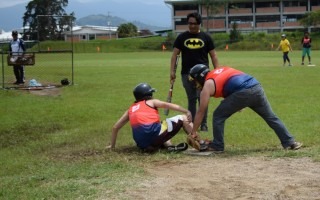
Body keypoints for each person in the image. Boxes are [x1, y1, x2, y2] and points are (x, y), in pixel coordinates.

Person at [188, 64, 302, 152]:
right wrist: (238, 104)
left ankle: (218, 145)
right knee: (271, 117)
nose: (195, 84)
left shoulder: (208, 85)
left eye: (195, 80)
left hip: (243, 92)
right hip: (256, 87)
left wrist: (193, 132)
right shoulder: (220, 70)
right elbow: (232, 82)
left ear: (200, 76)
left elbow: (201, 111)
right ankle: (290, 142)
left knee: (218, 115)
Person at [106, 83, 200, 153]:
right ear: (148, 95)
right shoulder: (152, 102)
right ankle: (199, 142)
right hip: (155, 136)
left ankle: (169, 146)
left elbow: (115, 128)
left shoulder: (131, 109)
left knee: (161, 126)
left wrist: (112, 147)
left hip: (143, 145)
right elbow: (169, 105)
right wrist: (186, 111)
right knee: (183, 118)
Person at [170, 12, 219, 132]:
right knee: (191, 99)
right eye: (190, 23)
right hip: (186, 74)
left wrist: (217, 71)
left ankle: (204, 124)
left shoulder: (206, 37)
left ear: (199, 23)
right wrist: (172, 71)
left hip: (203, 75)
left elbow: (213, 55)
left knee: (202, 98)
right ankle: (191, 124)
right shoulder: (182, 37)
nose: (192, 26)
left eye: (195, 24)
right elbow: (175, 55)